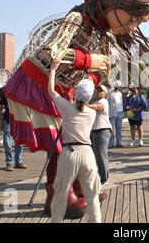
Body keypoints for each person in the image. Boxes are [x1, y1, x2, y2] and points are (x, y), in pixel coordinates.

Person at [2, 0, 149, 216]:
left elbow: (101, 71)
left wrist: (99, 85)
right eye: (131, 19)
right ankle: (59, 197)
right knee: (62, 146)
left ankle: (81, 189)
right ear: (113, 5)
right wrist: (88, 60)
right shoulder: (77, 19)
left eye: (137, 23)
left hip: (61, 91)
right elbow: (49, 53)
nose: (131, 27)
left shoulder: (103, 37)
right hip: (36, 84)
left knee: (69, 144)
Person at [47, 60, 101, 223]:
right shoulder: (91, 113)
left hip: (69, 153)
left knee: (60, 195)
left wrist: (53, 69)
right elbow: (83, 104)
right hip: (87, 154)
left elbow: (51, 91)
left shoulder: (67, 108)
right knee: (93, 197)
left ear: (76, 93)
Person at [0, 88, 28, 172]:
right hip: (8, 120)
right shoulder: (6, 91)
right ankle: (9, 162)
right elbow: (0, 107)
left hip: (19, 119)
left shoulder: (22, 91)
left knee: (20, 141)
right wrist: (0, 120)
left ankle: (18, 161)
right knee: (7, 142)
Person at [90, 85, 113, 187]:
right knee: (96, 155)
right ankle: (100, 176)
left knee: (101, 155)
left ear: (105, 93)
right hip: (95, 131)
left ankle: (104, 178)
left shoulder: (103, 101)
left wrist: (86, 105)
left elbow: (99, 107)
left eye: (101, 90)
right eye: (98, 90)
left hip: (102, 130)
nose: (98, 92)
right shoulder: (94, 101)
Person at [107, 81, 124, 148]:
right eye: (116, 86)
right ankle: (111, 143)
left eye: (118, 87)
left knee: (119, 128)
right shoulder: (110, 93)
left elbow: (121, 103)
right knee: (112, 128)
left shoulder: (120, 93)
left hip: (119, 112)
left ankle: (119, 142)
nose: (117, 88)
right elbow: (108, 102)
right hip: (112, 112)